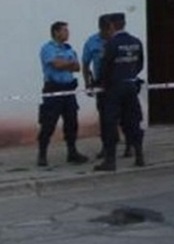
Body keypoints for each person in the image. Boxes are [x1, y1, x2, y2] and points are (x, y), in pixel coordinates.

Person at [94, 13, 145, 171]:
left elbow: (105, 67)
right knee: (133, 122)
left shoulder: (111, 44)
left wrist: (100, 83)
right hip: (131, 86)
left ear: (112, 25)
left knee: (110, 123)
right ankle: (139, 156)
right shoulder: (136, 42)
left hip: (114, 88)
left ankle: (110, 161)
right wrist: (129, 75)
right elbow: (140, 64)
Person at [37, 21, 89, 167]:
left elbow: (77, 67)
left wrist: (65, 63)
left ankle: (72, 152)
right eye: (64, 30)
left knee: (72, 122)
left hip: (68, 90)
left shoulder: (68, 49)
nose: (68, 33)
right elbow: (56, 65)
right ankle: (42, 154)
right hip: (53, 90)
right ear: (56, 32)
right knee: (48, 123)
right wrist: (68, 63)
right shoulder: (48, 48)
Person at [82, 14, 133, 160]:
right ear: (102, 28)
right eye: (107, 30)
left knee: (125, 116)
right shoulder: (92, 42)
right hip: (102, 83)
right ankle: (107, 147)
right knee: (105, 118)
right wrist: (88, 83)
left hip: (120, 82)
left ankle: (130, 145)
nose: (109, 32)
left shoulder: (119, 40)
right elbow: (85, 64)